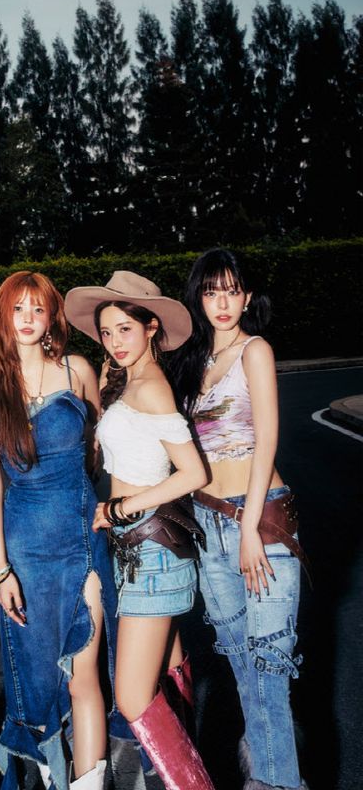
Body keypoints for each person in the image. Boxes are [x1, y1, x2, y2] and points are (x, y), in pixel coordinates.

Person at [65, 271, 215, 790]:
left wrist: (120, 507)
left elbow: (193, 473)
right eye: (107, 332)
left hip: (152, 553)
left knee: (131, 697)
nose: (114, 342)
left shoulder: (151, 386)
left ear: (151, 327)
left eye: (125, 329)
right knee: (167, 680)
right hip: (140, 553)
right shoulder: (131, 379)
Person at [0, 271, 117, 790]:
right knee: (38, 680)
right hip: (25, 554)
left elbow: (98, 449)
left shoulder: (78, 371)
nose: (28, 318)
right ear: (3, 319)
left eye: (38, 308)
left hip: (83, 542)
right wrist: (1, 570)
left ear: (51, 316)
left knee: (83, 677)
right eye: (18, 309)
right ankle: (54, 773)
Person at [171, 248, 308, 790]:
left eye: (232, 290)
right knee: (244, 670)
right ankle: (267, 767)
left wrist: (249, 526)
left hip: (261, 522)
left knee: (270, 670)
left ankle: (277, 781)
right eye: (211, 291)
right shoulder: (191, 362)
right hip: (208, 525)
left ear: (247, 297)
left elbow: (267, 438)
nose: (222, 302)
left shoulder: (256, 350)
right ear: (199, 298)